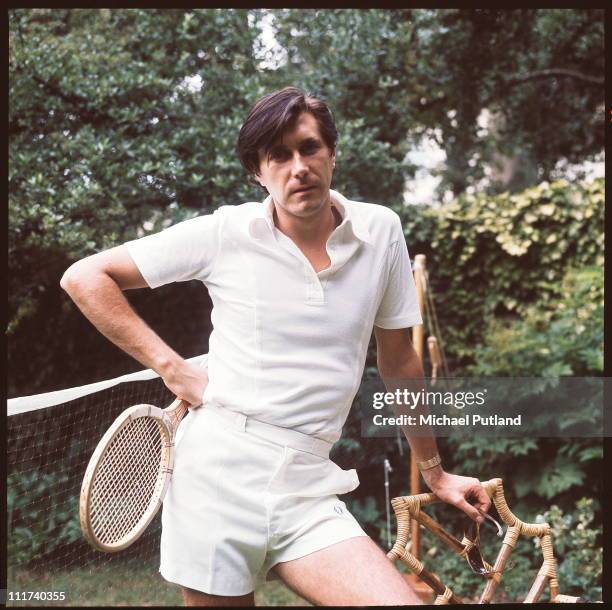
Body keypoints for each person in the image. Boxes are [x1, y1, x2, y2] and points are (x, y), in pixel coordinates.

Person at [61, 86, 491, 606]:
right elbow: (86, 277)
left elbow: (399, 357)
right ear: (257, 173)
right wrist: (170, 367)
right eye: (278, 156)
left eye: (308, 148)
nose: (298, 167)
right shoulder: (225, 233)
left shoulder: (381, 231)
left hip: (308, 484)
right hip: (215, 478)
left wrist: (434, 471)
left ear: (332, 153)